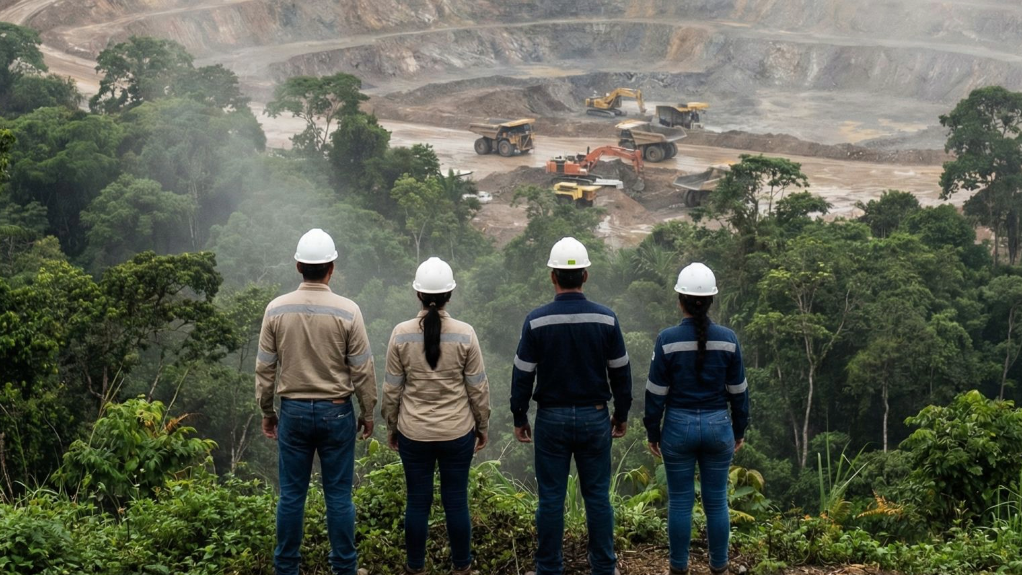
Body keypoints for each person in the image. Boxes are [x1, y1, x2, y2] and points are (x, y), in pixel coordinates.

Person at [256, 228, 377, 575]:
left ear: (298, 266)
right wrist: (368, 412)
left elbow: (265, 368)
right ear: (331, 268)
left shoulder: (276, 309)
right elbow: (363, 370)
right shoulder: (348, 311)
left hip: (292, 412)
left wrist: (267, 411)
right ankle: (344, 567)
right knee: (339, 495)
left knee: (291, 495)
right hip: (337, 412)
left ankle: (286, 568)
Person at [511, 237, 632, 575]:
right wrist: (620, 415)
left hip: (551, 419)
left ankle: (549, 567)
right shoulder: (606, 320)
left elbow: (523, 374)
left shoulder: (536, 321)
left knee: (551, 498)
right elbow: (621, 373)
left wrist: (519, 415)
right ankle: (604, 567)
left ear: (553, 276)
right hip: (595, 418)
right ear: (585, 276)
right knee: (597, 497)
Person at [382, 257, 491, 575]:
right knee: (456, 500)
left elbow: (391, 390)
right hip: (457, 432)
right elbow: (478, 390)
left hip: (413, 433)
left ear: (418, 294)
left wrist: (393, 427)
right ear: (450, 294)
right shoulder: (465, 334)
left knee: (417, 501)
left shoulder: (401, 334)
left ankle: (415, 568)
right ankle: (462, 567)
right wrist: (481, 426)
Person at [643, 263, 750, 575]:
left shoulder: (667, 340)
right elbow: (738, 391)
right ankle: (719, 566)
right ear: (711, 300)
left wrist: (654, 432)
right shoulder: (728, 339)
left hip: (678, 427)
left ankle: (679, 568)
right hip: (719, 427)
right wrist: (738, 428)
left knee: (679, 503)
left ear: (680, 300)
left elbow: (656, 394)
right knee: (717, 502)